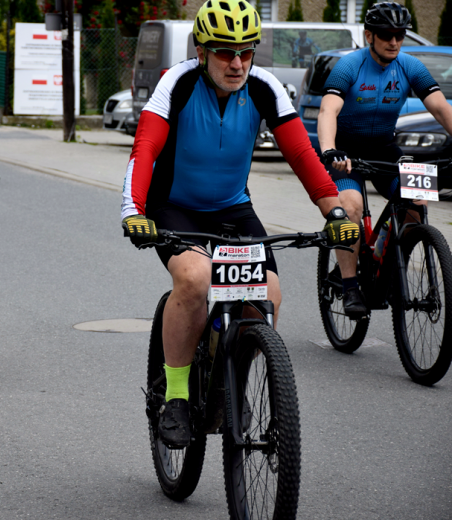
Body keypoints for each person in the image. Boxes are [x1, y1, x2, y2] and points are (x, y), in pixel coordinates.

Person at [120, 0, 359, 448]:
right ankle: (174, 396)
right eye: (225, 52)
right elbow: (145, 149)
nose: (237, 62)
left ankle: (232, 380)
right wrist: (133, 212)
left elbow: (302, 157)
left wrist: (336, 212)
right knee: (194, 278)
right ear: (202, 51)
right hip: (174, 207)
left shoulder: (265, 88)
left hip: (232, 209)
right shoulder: (177, 83)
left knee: (267, 295)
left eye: (246, 52)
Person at [317, 1, 452, 318]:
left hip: (384, 146)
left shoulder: (410, 65)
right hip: (344, 151)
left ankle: (387, 264)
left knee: (417, 200)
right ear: (369, 36)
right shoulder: (350, 66)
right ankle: (350, 285)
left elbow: (440, 109)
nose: (394, 41)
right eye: (386, 35)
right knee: (349, 205)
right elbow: (328, 111)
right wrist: (328, 149)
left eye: (400, 35)